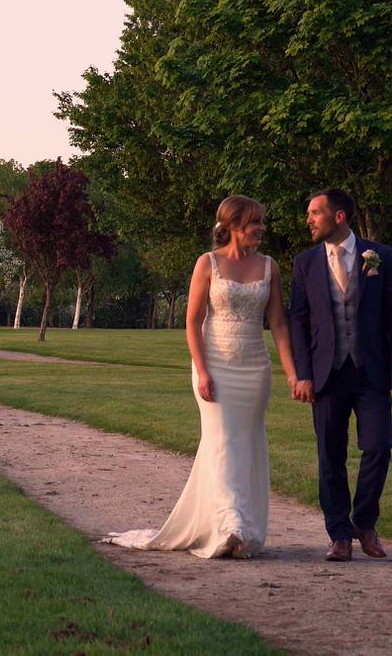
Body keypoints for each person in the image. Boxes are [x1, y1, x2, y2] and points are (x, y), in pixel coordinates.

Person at [106, 196, 301, 557]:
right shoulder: (207, 263)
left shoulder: (270, 267)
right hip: (214, 364)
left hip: (254, 368)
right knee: (223, 440)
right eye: (254, 222)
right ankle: (231, 526)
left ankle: (237, 522)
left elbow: (278, 323)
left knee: (245, 444)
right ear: (233, 225)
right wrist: (203, 370)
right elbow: (193, 322)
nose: (261, 228)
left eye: (262, 222)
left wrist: (292, 373)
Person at [286, 188, 392, 562]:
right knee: (330, 455)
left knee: (378, 447)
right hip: (325, 374)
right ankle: (339, 534)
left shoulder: (379, 256)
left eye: (314, 213)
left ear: (338, 216)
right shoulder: (304, 263)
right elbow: (298, 322)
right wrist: (302, 374)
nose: (308, 219)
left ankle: (365, 522)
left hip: (371, 371)